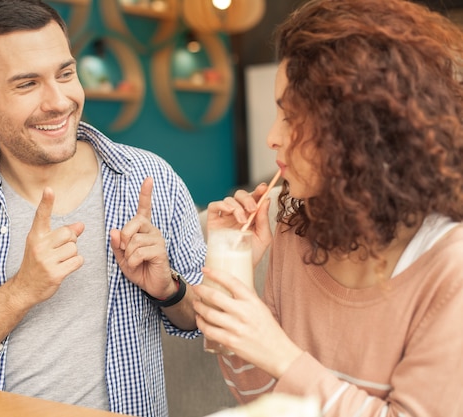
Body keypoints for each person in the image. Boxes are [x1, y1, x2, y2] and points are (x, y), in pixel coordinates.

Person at [0, 1, 205, 416]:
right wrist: (22, 291)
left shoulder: (150, 178)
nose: (59, 101)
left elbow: (203, 317)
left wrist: (170, 289)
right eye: (27, 84)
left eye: (65, 74)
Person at [192, 0, 463, 415]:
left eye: (290, 117)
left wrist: (282, 355)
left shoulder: (450, 269)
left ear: (357, 130)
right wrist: (236, 287)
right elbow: (264, 403)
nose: (271, 137)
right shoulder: (295, 230)